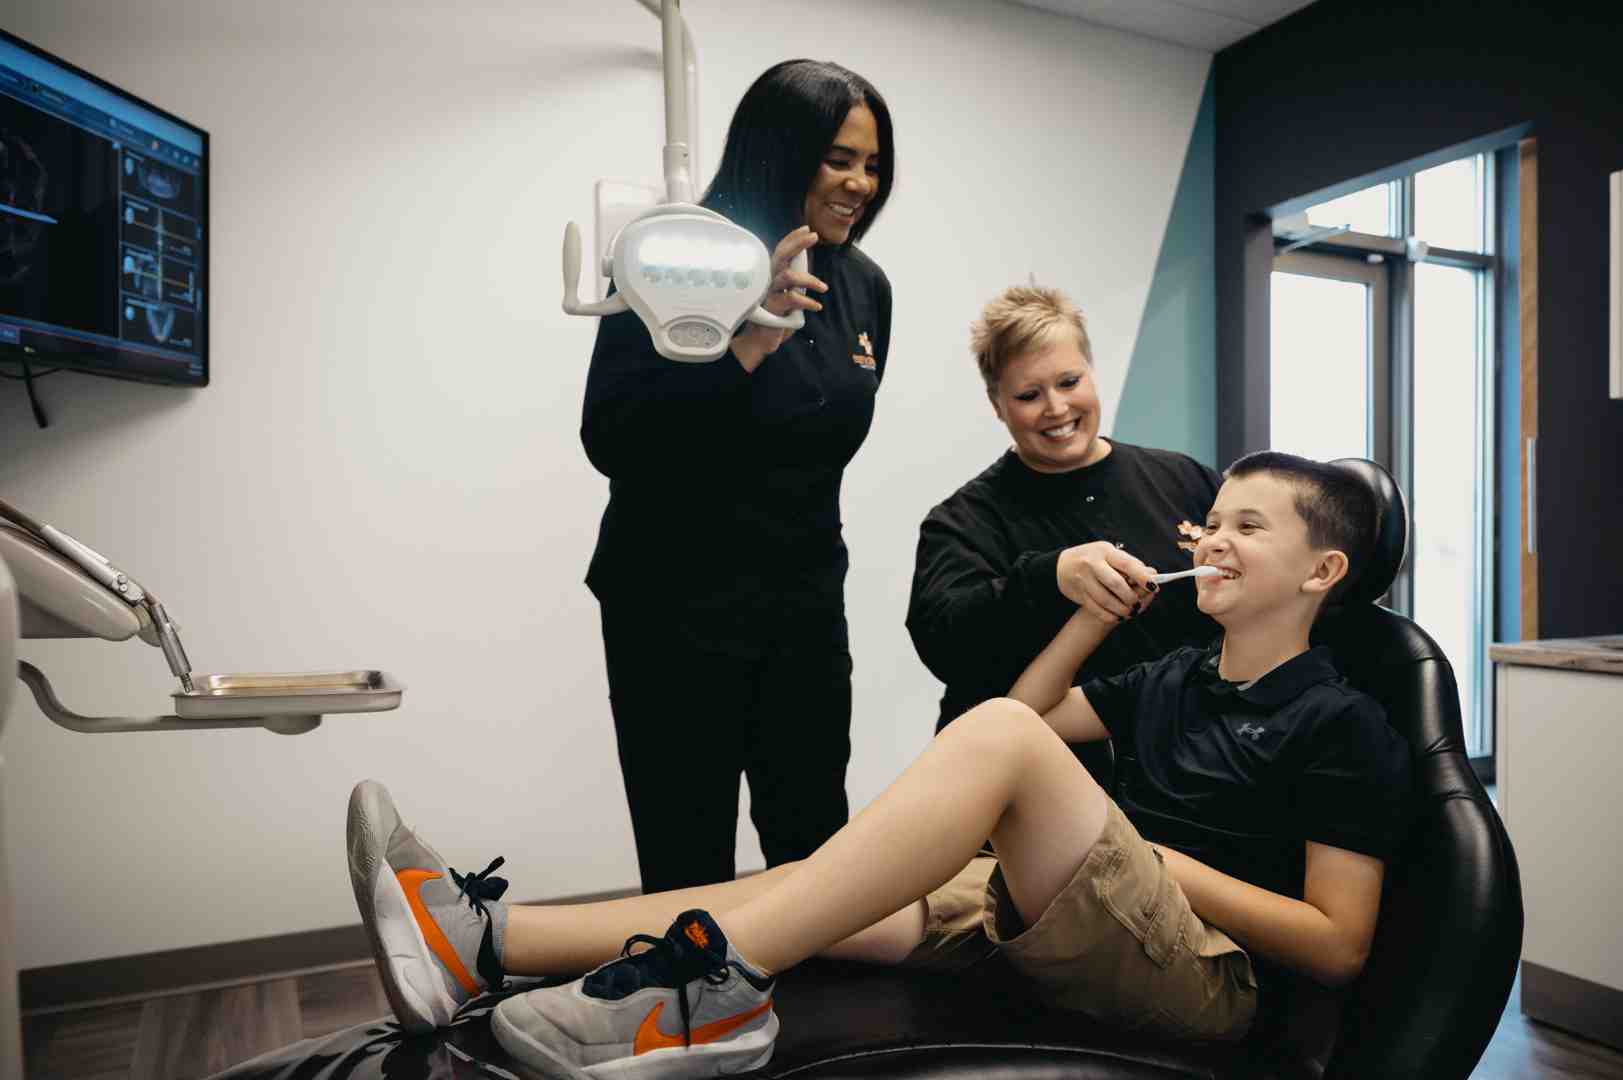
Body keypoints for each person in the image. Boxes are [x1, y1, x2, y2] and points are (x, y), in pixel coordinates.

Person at [346, 452, 1413, 1078]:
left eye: (1247, 528)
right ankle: (484, 939)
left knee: (995, 743)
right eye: (1210, 521)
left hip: (1208, 977)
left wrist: (1170, 868)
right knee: (811, 888)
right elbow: (1026, 715)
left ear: (1322, 570)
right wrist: (1092, 618)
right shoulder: (1176, 673)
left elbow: (1338, 946)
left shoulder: (1343, 720)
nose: (1212, 540)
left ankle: (714, 993)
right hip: (1097, 917)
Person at [580, 60, 895, 893]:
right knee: (686, 855)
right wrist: (749, 345)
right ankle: (690, 982)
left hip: (803, 609)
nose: (861, 184)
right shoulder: (673, 259)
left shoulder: (864, 286)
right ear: (778, 150)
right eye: (838, 159)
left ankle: (812, 987)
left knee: (814, 844)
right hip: (674, 608)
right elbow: (613, 440)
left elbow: (823, 441)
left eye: (871, 164)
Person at [909, 285, 1223, 735]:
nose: (1056, 408)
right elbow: (945, 643)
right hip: (1035, 759)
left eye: (1069, 382)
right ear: (997, 405)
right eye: (1028, 395)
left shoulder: (1186, 479)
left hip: (1190, 751)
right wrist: (1050, 577)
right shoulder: (963, 522)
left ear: (1091, 372)